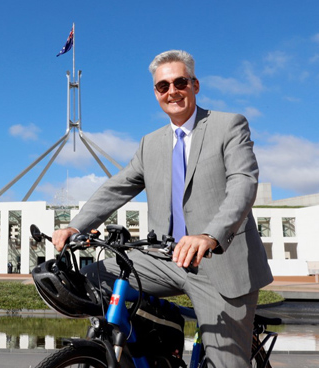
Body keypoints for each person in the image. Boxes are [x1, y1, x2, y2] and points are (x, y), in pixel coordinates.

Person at [52, 50, 273, 367]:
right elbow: (117, 186)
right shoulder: (150, 143)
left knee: (227, 364)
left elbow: (243, 183)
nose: (172, 91)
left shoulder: (229, 126)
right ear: (156, 93)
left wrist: (210, 235)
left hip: (218, 263)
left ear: (195, 85)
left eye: (179, 82)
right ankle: (135, 353)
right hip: (164, 258)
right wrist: (76, 227)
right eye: (162, 86)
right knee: (89, 279)